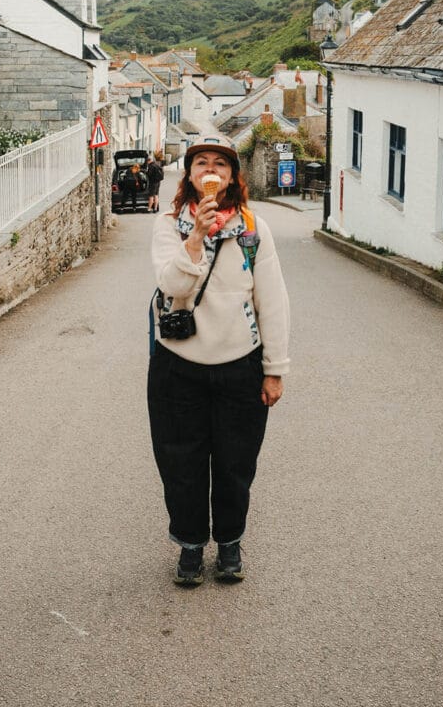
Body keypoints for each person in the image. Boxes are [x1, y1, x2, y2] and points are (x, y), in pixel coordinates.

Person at [148, 133, 290, 586]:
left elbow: (273, 301)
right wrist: (195, 238)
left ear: (232, 177)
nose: (211, 171)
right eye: (202, 163)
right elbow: (172, 286)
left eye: (220, 165)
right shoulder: (169, 224)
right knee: (180, 463)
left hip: (239, 366)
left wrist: (275, 369)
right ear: (189, 174)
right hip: (177, 366)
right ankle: (190, 545)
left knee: (234, 463)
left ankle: (229, 542)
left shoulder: (253, 229)